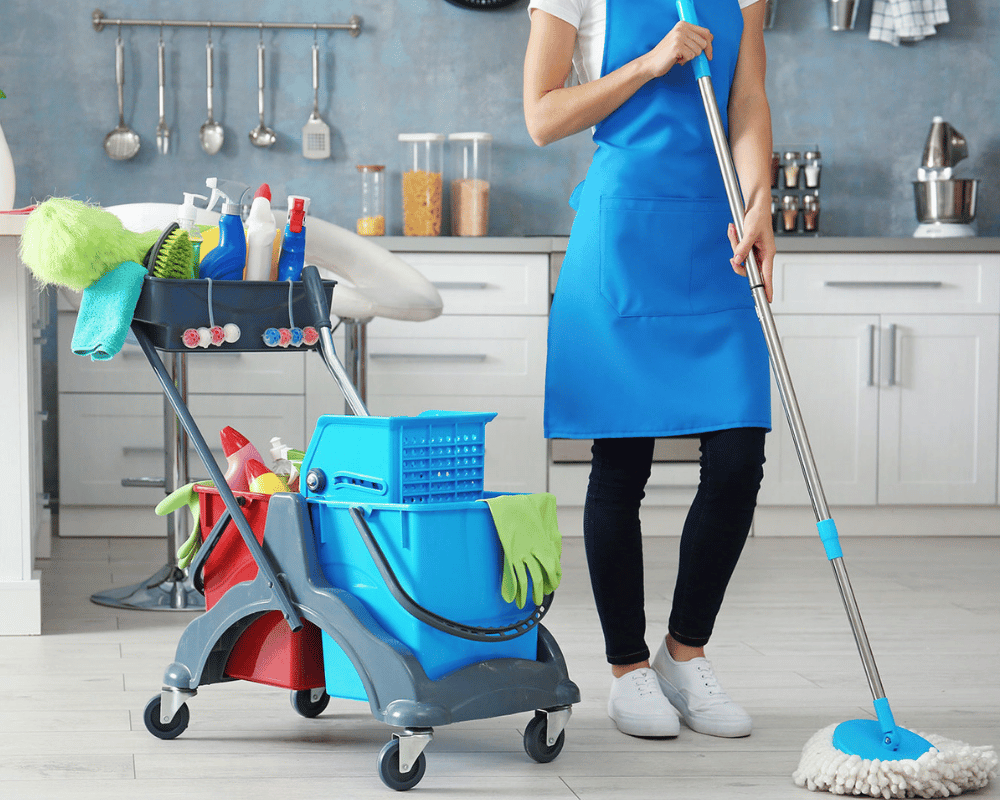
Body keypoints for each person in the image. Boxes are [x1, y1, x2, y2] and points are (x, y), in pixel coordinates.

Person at [523, 0, 775, 739]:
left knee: (738, 458)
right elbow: (542, 117)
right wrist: (646, 63)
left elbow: (749, 99)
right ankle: (628, 669)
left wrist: (761, 206)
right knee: (620, 461)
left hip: (716, 228)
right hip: (624, 234)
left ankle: (683, 655)